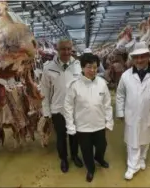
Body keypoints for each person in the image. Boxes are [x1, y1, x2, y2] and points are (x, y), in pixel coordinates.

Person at [116, 41, 150, 180]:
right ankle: (131, 166)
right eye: (136, 57)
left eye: (142, 56)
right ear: (132, 58)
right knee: (132, 140)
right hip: (131, 114)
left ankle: (141, 159)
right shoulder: (126, 76)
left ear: (148, 56)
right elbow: (120, 95)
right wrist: (120, 112)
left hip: (149, 113)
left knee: (146, 139)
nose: (139, 60)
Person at [64, 52, 113, 182]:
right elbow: (68, 107)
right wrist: (70, 126)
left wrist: (109, 122)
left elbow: (107, 104)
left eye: (95, 67)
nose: (92, 70)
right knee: (86, 151)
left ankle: (99, 158)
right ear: (82, 67)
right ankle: (90, 169)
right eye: (89, 67)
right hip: (83, 126)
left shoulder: (102, 83)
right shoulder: (74, 85)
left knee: (102, 145)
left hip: (99, 124)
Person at [40, 39, 83, 173]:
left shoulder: (77, 65)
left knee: (74, 135)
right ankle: (63, 158)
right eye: (63, 49)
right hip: (57, 108)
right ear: (57, 50)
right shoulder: (48, 68)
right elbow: (44, 91)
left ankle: (75, 155)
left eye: (69, 49)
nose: (66, 52)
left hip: (74, 108)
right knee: (61, 136)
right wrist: (46, 112)